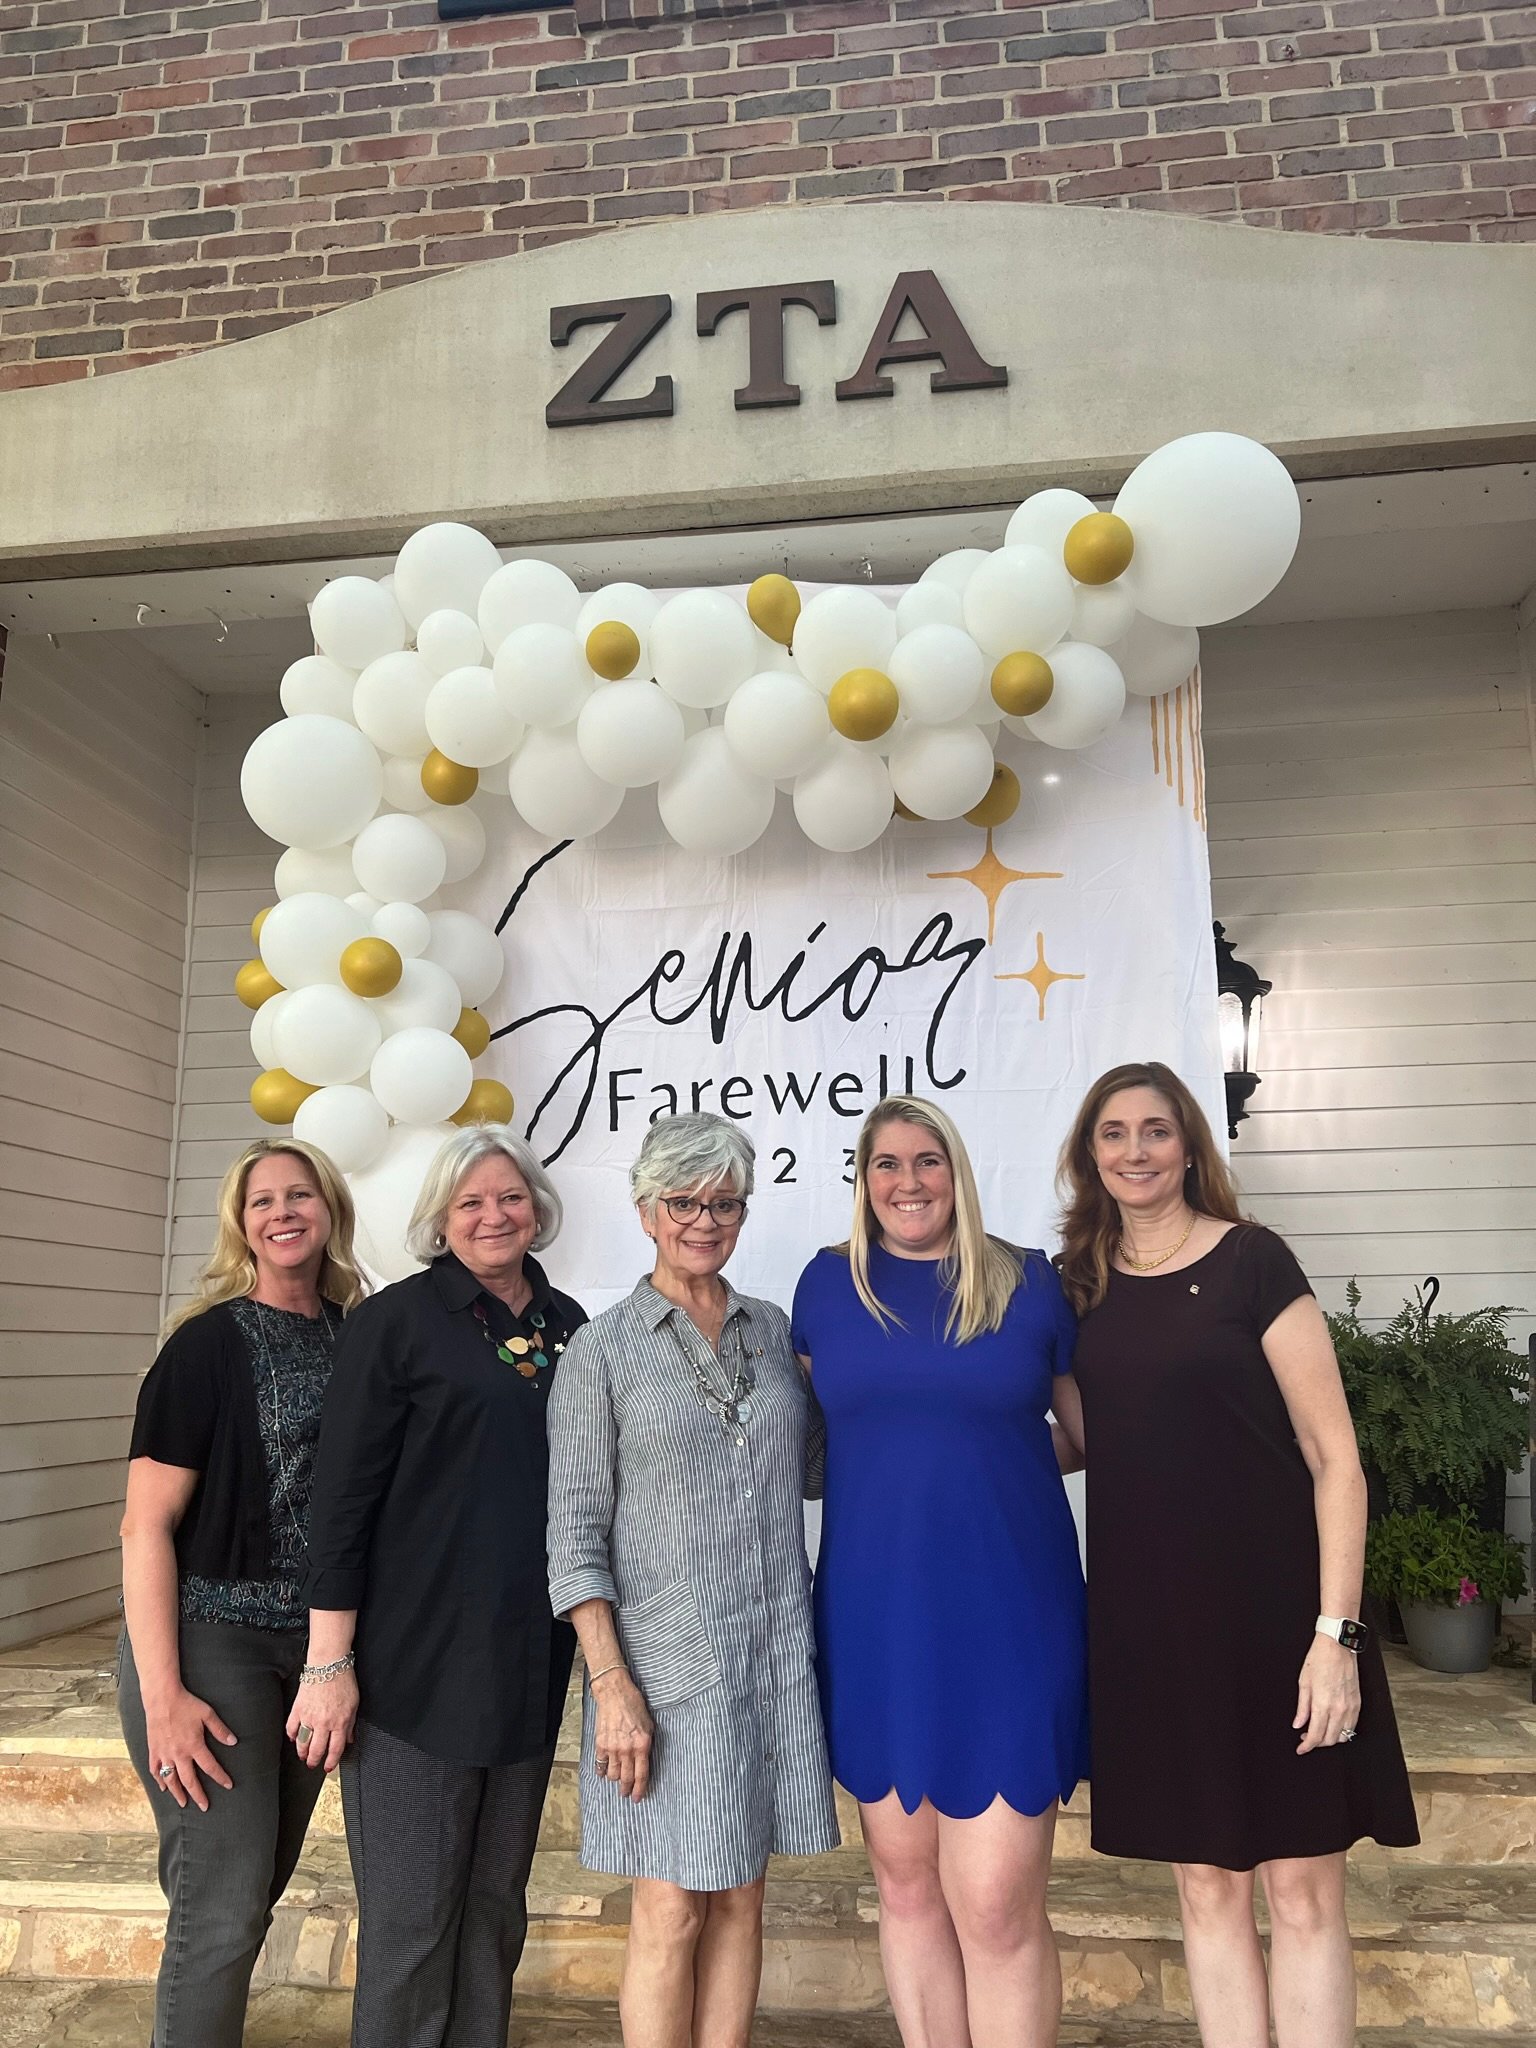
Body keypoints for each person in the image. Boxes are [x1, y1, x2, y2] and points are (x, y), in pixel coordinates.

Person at [1058, 1060, 1419, 2048]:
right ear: (1090, 1153)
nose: (1136, 1150)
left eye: (1157, 1130)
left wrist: (1334, 1634)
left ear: (1190, 1146)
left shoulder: (1256, 1260)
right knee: (1207, 1890)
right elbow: (1089, 1438)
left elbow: (1335, 1458)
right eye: (1114, 1132)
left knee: (1301, 1888)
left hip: (1281, 1622)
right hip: (1153, 1628)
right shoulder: (1077, 1286)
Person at [790, 1095, 1088, 2048]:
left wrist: (982, 1456)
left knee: (997, 1906)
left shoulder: (1031, 1283)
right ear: (862, 1180)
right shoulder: (828, 1286)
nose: (907, 1182)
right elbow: (804, 1440)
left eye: (926, 1161)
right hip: (877, 1618)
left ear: (955, 1170)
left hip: (1011, 1614)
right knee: (907, 1887)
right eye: (886, 1164)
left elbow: (1084, 1437)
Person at [547, 1112, 839, 2048]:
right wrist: (611, 1684)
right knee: (672, 1906)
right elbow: (574, 1532)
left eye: (725, 1202)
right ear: (646, 1211)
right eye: (684, 1201)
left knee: (745, 1896)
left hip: (773, 1650)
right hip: (663, 1665)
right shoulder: (601, 1350)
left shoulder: (773, 1330)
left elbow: (828, 1469)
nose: (704, 1220)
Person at [295, 1125, 585, 2048]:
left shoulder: (570, 1325)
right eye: (471, 1202)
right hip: (414, 1668)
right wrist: (327, 1660)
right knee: (413, 1924)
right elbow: (337, 1503)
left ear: (537, 1210)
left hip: (529, 1660)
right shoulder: (397, 1322)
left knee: (495, 1910)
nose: (494, 1215)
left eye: (509, 1198)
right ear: (441, 1221)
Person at [117, 1137, 366, 2048]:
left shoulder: (361, 1333)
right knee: (218, 1909)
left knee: (248, 1894)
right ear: (242, 1224)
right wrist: (163, 1697)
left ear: (331, 1208)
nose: (283, 1212)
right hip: (210, 1643)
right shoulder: (206, 1345)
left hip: (317, 1653)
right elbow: (144, 1527)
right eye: (262, 1201)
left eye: (301, 1194)